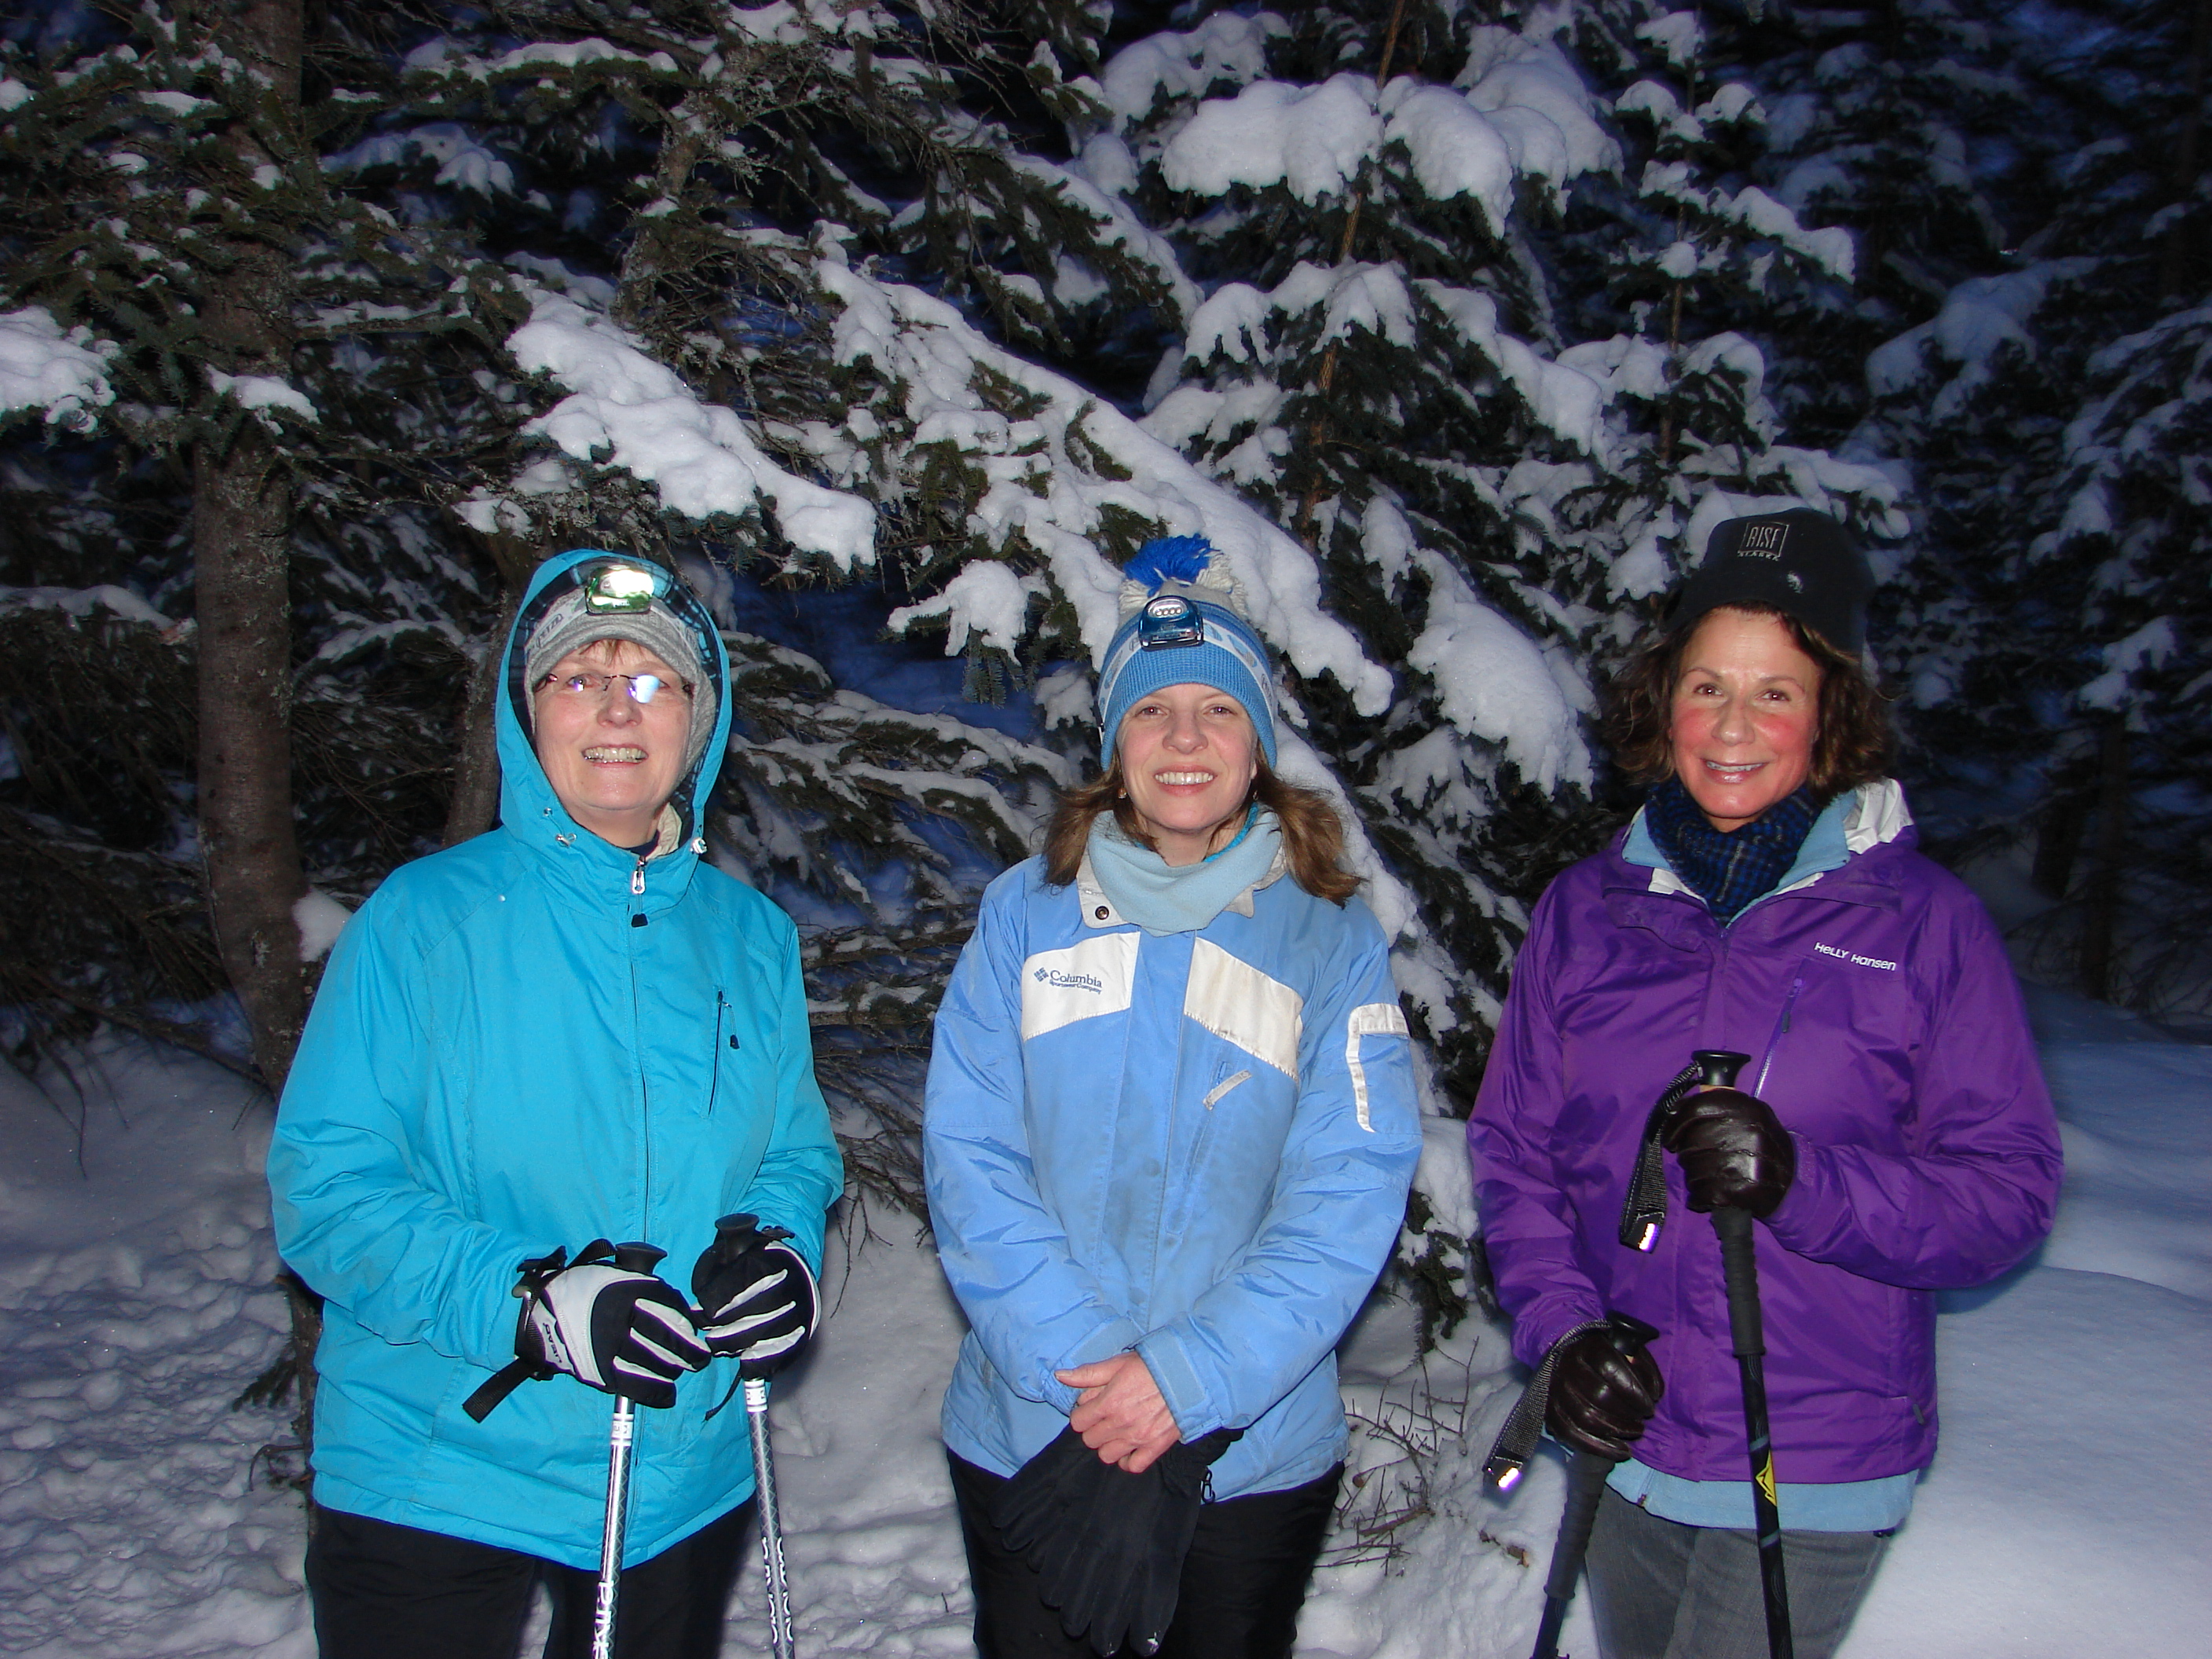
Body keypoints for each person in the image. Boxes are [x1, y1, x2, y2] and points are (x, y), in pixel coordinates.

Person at [1468, 509, 2064, 1659]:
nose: (1733, 727)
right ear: (1666, 701)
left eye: (1775, 692)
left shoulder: (1924, 924)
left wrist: (1806, 1182)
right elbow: (1516, 1150)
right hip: (1630, 1430)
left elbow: (2007, 1194)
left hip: (1817, 1451)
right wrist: (1564, 1331)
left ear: (1833, 710)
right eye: (1708, 687)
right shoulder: (1591, 910)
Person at [269, 548, 844, 1659]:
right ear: (527, 714)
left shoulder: (750, 937)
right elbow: (327, 1190)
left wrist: (780, 1251)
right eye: (579, 678)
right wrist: (526, 1303)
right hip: (438, 1461)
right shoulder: (422, 921)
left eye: (653, 681)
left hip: (677, 1465)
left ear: (698, 719)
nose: (617, 711)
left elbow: (795, 1153)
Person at [924, 537, 1423, 1659]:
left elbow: (1349, 1189)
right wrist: (1098, 1380)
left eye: (1218, 711)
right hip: (1037, 1421)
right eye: (1153, 712)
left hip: (1247, 1453)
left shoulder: (1326, 936)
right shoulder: (1025, 914)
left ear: (1259, 746)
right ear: (1116, 746)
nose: (1185, 740)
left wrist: (1186, 1380)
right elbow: (969, 1156)